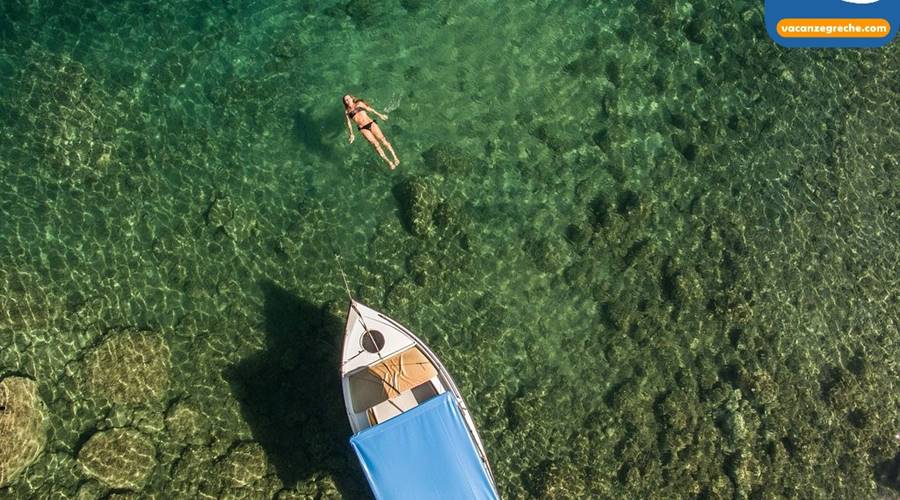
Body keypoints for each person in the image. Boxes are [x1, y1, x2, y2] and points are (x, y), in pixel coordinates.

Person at [343, 94, 400, 169]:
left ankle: (395, 157)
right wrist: (351, 134)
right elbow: (349, 123)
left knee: (383, 140)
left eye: (348, 98)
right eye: (345, 100)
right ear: (345, 102)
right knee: (376, 145)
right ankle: (388, 162)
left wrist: (380, 115)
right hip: (363, 128)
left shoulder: (359, 104)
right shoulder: (347, 112)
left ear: (351, 98)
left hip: (371, 123)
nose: (347, 101)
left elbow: (370, 109)